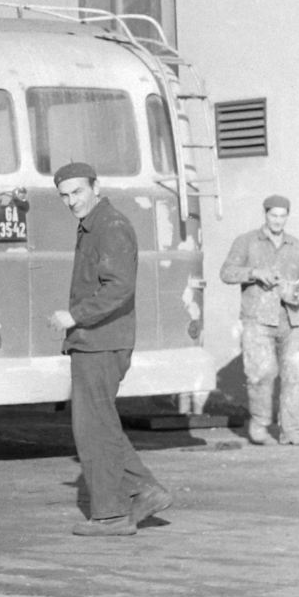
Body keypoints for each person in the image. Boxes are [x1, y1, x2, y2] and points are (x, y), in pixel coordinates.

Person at [49, 160, 171, 537]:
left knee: (93, 428)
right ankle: (143, 489)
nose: (71, 201)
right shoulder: (93, 225)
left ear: (96, 186)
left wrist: (75, 317)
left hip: (101, 340)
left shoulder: (110, 226)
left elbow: (119, 287)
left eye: (78, 192)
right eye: (65, 195)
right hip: (95, 341)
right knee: (97, 424)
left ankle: (111, 515)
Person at [220, 194, 299, 445]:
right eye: (274, 215)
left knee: (296, 376)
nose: (278, 221)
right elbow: (226, 273)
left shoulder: (296, 245)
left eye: (283, 216)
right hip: (257, 318)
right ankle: (259, 425)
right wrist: (254, 273)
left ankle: (291, 430)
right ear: (265, 214)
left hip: (291, 319)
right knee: (260, 374)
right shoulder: (247, 242)